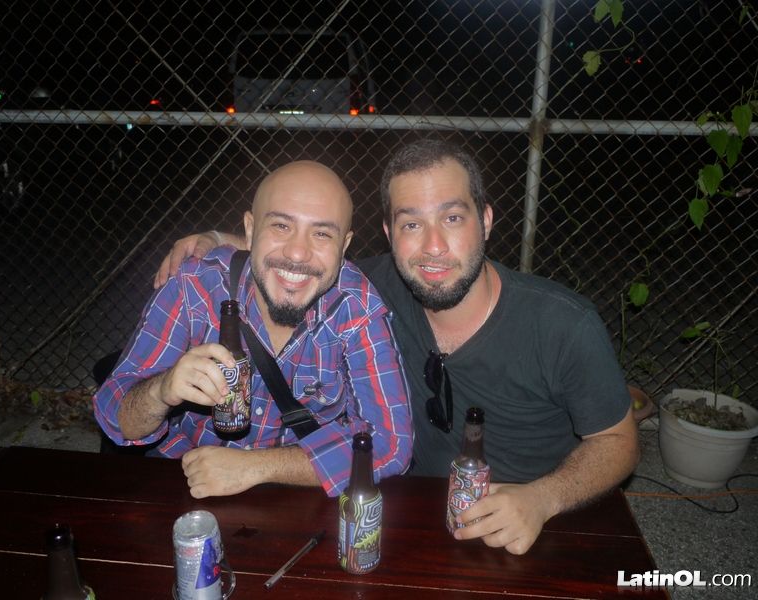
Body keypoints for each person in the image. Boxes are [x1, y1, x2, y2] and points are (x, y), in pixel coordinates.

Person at [154, 140, 640, 554]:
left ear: (486, 221)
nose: (432, 246)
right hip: (411, 513)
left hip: (533, 525)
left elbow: (619, 443)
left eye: (453, 217)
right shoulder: (375, 288)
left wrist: (542, 499)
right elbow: (302, 258)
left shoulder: (562, 324)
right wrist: (219, 240)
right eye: (411, 224)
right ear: (390, 235)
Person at [94, 160, 412, 500]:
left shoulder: (355, 307)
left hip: (294, 492)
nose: (297, 253)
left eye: (321, 233)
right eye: (281, 226)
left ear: (344, 247)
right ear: (250, 230)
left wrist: (256, 467)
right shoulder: (195, 287)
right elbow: (115, 417)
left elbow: (390, 443)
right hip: (184, 476)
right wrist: (161, 390)